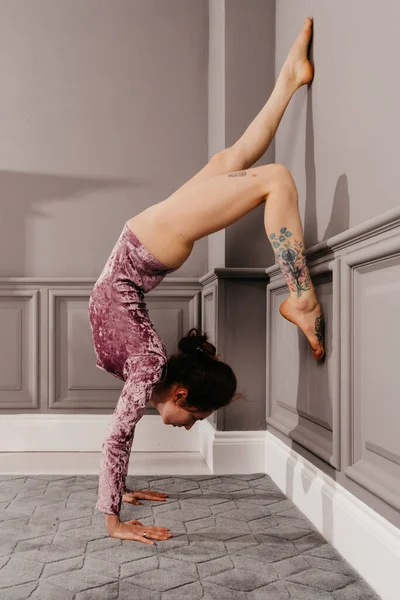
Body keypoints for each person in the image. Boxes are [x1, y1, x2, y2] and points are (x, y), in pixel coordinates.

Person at [88, 16, 324, 544]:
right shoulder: (149, 364)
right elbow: (118, 435)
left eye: (192, 418)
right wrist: (115, 518)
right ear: (180, 389)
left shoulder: (146, 364)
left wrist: (118, 494)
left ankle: (288, 79)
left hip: (144, 246)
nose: (187, 424)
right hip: (144, 246)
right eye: (195, 416)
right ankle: (302, 300)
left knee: (236, 160)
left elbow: (119, 434)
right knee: (270, 177)